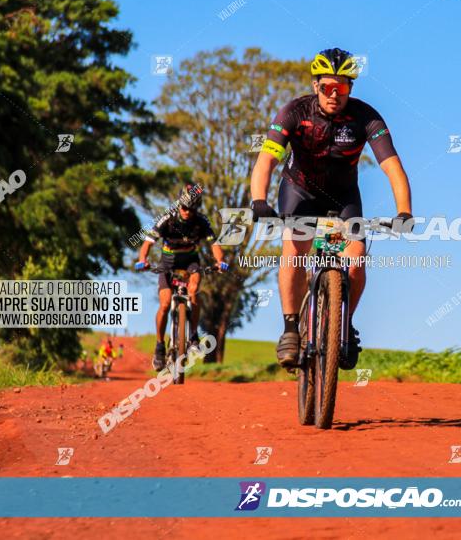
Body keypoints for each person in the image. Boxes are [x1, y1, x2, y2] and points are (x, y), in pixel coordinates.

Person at [249, 48, 414, 369]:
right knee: (294, 251)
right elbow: (266, 160)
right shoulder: (294, 112)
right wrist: (259, 201)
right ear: (315, 86)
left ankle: (343, 323)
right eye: (327, 87)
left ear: (350, 88)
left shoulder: (366, 117)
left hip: (343, 198)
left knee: (355, 261)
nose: (334, 94)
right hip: (299, 191)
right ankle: (291, 329)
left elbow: (392, 166)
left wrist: (404, 211)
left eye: (342, 87)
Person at [136, 183, 227, 371]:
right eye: (184, 207)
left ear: (196, 208)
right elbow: (148, 242)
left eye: (191, 208)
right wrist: (143, 260)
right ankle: (160, 346)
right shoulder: (167, 218)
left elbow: (214, 244)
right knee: (164, 303)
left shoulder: (202, 221)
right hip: (168, 263)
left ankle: (193, 335)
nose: (187, 211)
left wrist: (220, 261)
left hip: (191, 262)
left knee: (194, 291)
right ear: (179, 205)